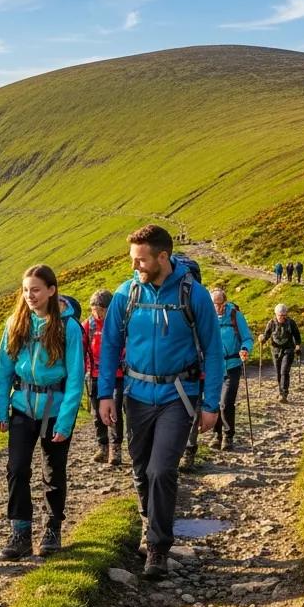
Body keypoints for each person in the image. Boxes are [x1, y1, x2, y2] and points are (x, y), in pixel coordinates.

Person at [98, 225, 224, 579]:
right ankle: (146, 521)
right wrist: (105, 394)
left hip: (178, 396)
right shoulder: (127, 293)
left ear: (162, 257)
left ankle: (158, 547)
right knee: (140, 469)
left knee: (161, 469)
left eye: (140, 260)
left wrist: (211, 404)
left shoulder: (193, 295)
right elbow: (109, 345)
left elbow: (213, 351)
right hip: (136, 395)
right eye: (132, 259)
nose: (135, 266)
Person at [0, 264, 85, 560]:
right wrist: (0, 410)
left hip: (55, 408)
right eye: (25, 290)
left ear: (51, 290)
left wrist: (66, 421)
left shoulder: (68, 327)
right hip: (22, 406)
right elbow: (3, 371)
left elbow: (75, 377)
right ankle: (19, 532)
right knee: (17, 469)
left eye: (35, 289)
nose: (29, 295)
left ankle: (52, 528)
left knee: (53, 472)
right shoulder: (15, 323)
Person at [84, 289, 123, 465]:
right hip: (94, 375)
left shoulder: (118, 324)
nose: (97, 313)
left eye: (100, 309)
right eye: (94, 309)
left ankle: (116, 449)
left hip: (117, 375)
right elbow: (82, 349)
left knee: (114, 413)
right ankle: (102, 446)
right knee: (96, 414)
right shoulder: (88, 325)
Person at [210, 287, 253, 451]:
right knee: (214, 401)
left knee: (226, 402)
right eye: (214, 304)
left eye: (220, 304)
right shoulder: (208, 317)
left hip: (233, 365)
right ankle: (216, 434)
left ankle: (228, 436)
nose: (218, 308)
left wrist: (245, 349)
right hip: (214, 366)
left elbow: (247, 338)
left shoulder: (235, 315)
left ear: (225, 302)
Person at [262, 303, 302, 403]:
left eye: (284, 315)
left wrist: (297, 346)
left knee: (284, 371)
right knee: (278, 372)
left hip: (288, 350)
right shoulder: (271, 323)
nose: (282, 317)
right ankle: (280, 392)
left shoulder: (291, 323)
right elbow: (266, 335)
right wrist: (262, 339)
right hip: (275, 350)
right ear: (276, 314)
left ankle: (284, 394)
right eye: (280, 315)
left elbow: (297, 335)